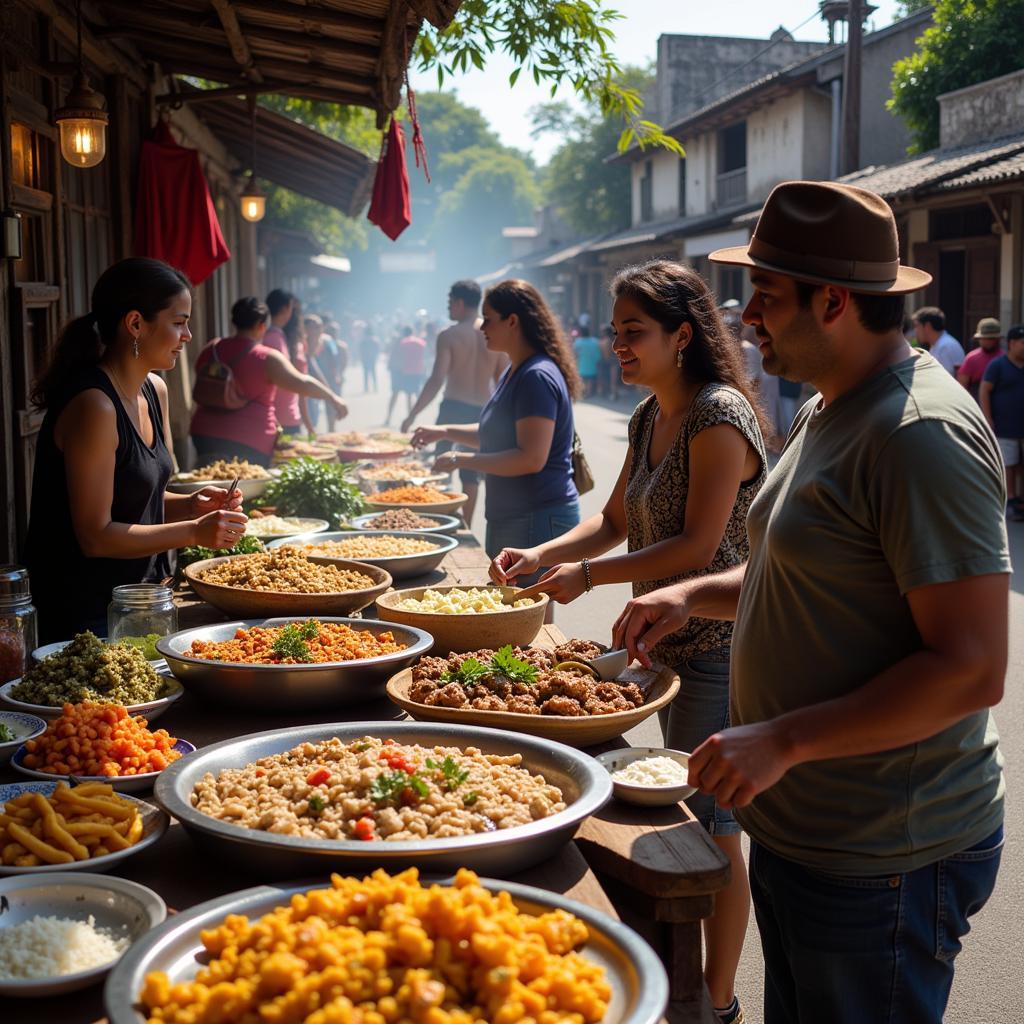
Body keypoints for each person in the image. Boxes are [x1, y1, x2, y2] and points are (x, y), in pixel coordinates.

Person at [614, 181, 1007, 1024]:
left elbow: (972, 669)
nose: (746, 316)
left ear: (833, 302)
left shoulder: (918, 434)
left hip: (883, 854)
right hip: (804, 829)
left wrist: (785, 737)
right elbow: (798, 573)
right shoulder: (832, 408)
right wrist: (690, 595)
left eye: (766, 296)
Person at [489, 261, 767, 1023]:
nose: (618, 346)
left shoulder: (717, 415)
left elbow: (696, 545)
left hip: (717, 645)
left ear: (684, 335)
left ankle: (718, 1002)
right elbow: (612, 521)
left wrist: (589, 577)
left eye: (634, 332)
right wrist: (545, 555)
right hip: (662, 645)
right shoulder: (650, 415)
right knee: (676, 813)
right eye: (615, 333)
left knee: (714, 828)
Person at [22, 258, 248, 643]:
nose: (188, 335)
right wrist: (193, 531)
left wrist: (192, 505)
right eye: (178, 323)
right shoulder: (95, 406)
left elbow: (136, 497)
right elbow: (95, 536)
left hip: (145, 600)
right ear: (135, 324)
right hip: (86, 616)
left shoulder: (154, 391)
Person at [410, 279, 581, 574]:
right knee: (520, 609)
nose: (481, 327)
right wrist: (445, 431)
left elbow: (530, 458)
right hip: (516, 513)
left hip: (535, 514)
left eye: (488, 320)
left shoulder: (535, 376)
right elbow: (497, 434)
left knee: (523, 612)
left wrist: (459, 458)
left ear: (512, 321)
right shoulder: (517, 369)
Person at [190, 299, 347, 465]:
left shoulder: (212, 348)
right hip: (249, 441)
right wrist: (332, 398)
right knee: (243, 488)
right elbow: (301, 383)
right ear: (261, 325)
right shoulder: (267, 358)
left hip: (204, 434)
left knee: (208, 485)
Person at [401, 280, 507, 525]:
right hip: (482, 411)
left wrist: (413, 414)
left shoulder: (449, 336)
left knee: (440, 469)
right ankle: (465, 525)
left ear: (459, 303)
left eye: (450, 303)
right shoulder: (492, 334)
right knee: (472, 475)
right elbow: (502, 379)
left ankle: (443, 520)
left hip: (452, 409)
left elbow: (437, 379)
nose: (448, 308)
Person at [980, 323, 1024, 519]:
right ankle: (1011, 498)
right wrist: (987, 417)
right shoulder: (998, 365)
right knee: (1008, 464)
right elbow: (985, 390)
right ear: (1012, 343)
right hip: (1005, 426)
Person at [262, 288, 307, 436]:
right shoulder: (275, 338)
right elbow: (290, 379)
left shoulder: (268, 336)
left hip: (279, 416)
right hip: (282, 419)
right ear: (286, 309)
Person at [385, 327, 427, 425]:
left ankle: (389, 417)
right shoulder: (420, 342)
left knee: (395, 394)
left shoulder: (402, 342)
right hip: (416, 371)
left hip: (402, 371)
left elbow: (398, 356)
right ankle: (411, 418)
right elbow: (424, 356)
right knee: (410, 395)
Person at [958, 317, 1004, 402]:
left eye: (991, 338)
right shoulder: (971, 358)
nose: (987, 342)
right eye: (984, 338)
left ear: (998, 339)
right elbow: (961, 386)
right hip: (976, 404)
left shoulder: (1005, 358)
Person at [913, 305, 964, 375]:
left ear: (927, 326)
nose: (915, 330)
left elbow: (945, 379)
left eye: (917, 326)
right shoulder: (938, 344)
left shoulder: (945, 346)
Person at [573, 327, 602, 398]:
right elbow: (599, 351)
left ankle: (583, 391)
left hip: (582, 362)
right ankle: (589, 392)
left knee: (583, 378)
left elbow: (575, 353)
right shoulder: (595, 341)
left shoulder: (578, 342)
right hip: (593, 361)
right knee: (590, 378)